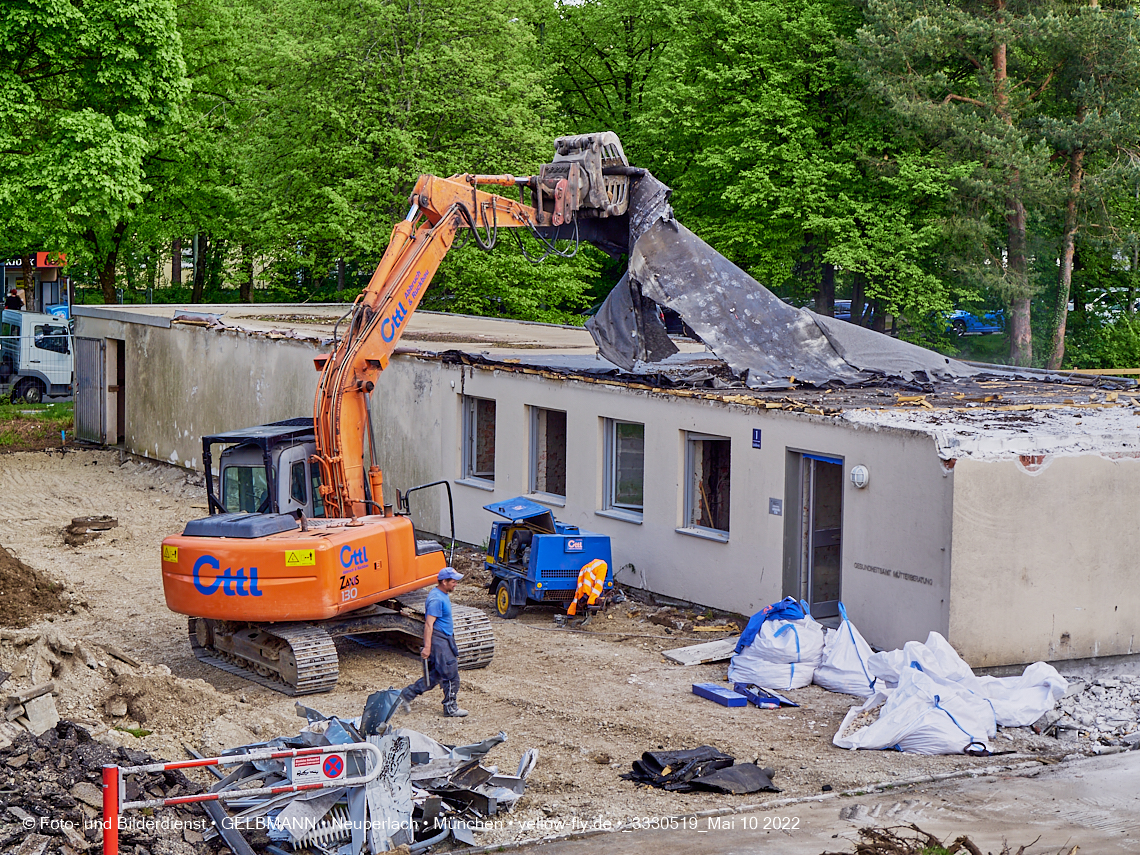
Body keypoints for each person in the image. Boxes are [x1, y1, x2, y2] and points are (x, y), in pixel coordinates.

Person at [398, 567, 468, 717]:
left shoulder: (442, 594)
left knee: (435, 675)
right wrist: (428, 647)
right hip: (439, 640)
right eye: (453, 581)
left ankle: (406, 694)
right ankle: (450, 708)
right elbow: (429, 624)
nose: (456, 584)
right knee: (451, 675)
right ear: (444, 582)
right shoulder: (436, 599)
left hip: (445, 638)